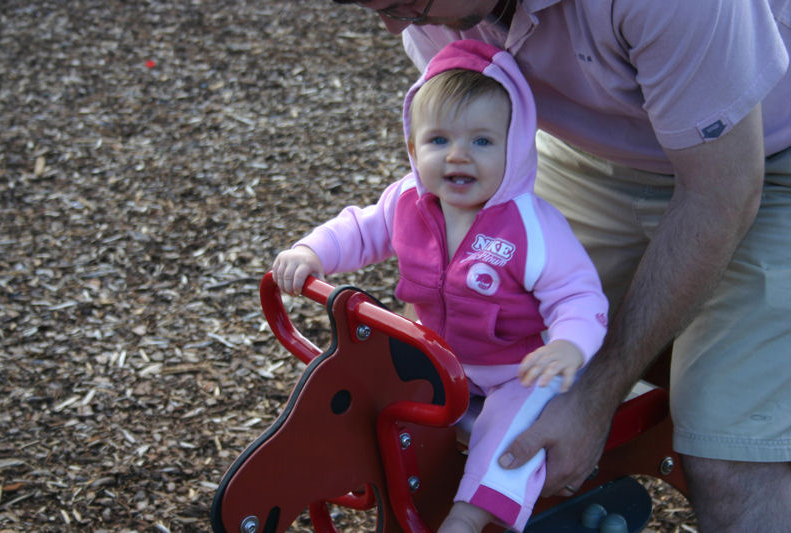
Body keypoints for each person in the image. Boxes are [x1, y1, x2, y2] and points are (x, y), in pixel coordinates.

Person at [327, 1, 791, 532]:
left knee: (732, 451)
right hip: (588, 155)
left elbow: (721, 192)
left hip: (764, 160)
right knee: (471, 386)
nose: (394, 24)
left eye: (404, 1)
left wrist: (595, 397)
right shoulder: (431, 13)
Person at [273, 40, 608, 532]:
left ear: (515, 148)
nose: (458, 156)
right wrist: (312, 253)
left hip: (516, 369)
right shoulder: (408, 201)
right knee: (368, 390)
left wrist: (568, 346)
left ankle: (471, 516)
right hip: (438, 357)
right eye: (438, 140)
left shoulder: (531, 227)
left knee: (512, 430)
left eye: (482, 141)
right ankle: (343, 472)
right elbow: (361, 229)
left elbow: (578, 295)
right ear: (413, 147)